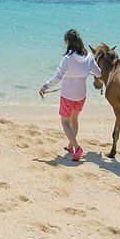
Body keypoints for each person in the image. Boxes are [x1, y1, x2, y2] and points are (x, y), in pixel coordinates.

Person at [39, 29, 101, 162]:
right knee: (74, 120)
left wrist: (45, 86)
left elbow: (58, 76)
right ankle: (70, 146)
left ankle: (77, 148)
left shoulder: (67, 58)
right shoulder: (89, 56)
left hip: (67, 96)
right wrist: (86, 72)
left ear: (68, 42)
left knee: (65, 122)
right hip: (81, 96)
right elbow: (99, 73)